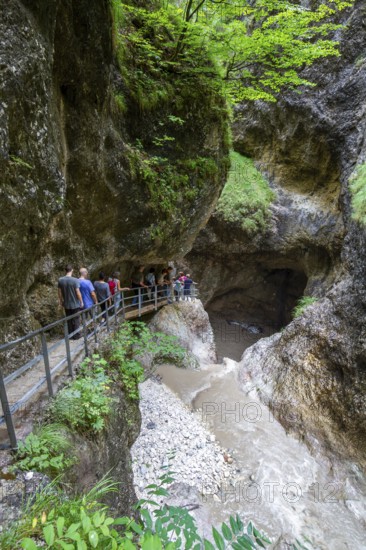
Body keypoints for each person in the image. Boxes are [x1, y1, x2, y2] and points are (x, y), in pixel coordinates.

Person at [58, 265, 83, 339]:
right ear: (72, 270)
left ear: (65, 270)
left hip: (66, 304)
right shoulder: (75, 280)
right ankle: (77, 335)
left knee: (69, 319)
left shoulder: (60, 280)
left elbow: (59, 292)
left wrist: (60, 301)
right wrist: (81, 301)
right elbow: (78, 292)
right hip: (75, 304)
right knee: (76, 319)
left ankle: (70, 335)